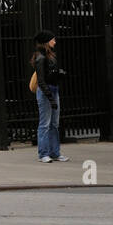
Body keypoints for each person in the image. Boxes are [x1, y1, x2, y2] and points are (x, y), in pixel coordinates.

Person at [32, 29, 67, 163]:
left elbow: (48, 75)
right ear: (47, 41)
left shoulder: (49, 55)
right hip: (46, 92)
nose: (54, 41)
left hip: (52, 90)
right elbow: (41, 81)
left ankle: (55, 153)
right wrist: (50, 97)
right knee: (45, 124)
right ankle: (43, 154)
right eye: (52, 39)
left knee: (54, 123)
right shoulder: (40, 57)